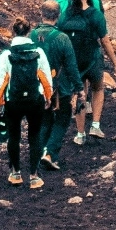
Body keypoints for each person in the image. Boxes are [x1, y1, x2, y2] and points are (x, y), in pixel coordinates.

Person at [0, 19, 54, 189]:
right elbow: (46, 78)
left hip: (14, 101)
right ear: (28, 32)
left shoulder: (6, 55)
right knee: (34, 136)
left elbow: (0, 81)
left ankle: (15, 173)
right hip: (35, 101)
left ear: (13, 32)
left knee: (14, 136)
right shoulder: (39, 52)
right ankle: (34, 176)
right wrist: (49, 98)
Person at [57, 0, 114, 145]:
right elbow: (104, 40)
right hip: (93, 58)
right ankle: (95, 125)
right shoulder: (95, 14)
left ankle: (80, 134)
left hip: (74, 62)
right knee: (97, 89)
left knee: (80, 94)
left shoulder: (64, 16)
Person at [29, 13, 82, 173]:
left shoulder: (31, 35)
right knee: (62, 120)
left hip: (36, 86)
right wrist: (79, 88)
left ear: (41, 14)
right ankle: (50, 154)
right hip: (59, 87)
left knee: (45, 121)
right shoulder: (63, 38)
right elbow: (71, 66)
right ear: (58, 16)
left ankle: (38, 154)